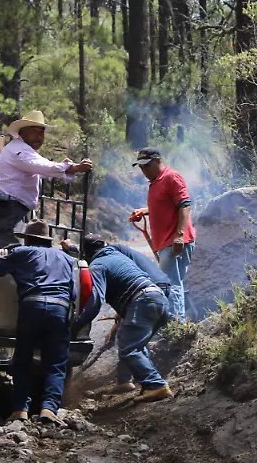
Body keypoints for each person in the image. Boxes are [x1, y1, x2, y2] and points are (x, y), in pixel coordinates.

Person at [0, 219, 75, 424]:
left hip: (31, 307)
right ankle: (49, 408)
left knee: (23, 360)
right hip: (59, 309)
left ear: (27, 239)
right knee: (56, 362)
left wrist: (1, 257)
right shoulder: (66, 259)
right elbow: (73, 293)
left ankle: (20, 410)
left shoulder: (20, 253)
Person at [61, 234, 170, 395]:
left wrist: (76, 326)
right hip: (159, 298)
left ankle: (156, 386)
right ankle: (134, 383)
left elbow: (95, 302)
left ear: (87, 253)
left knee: (129, 348)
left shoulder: (97, 266)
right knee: (136, 344)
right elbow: (85, 254)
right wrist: (71, 249)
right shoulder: (115, 253)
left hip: (142, 301)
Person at [0, 111, 93, 248]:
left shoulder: (23, 150)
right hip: (9, 208)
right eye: (34, 131)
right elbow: (43, 166)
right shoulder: (19, 150)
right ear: (22, 133)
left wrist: (64, 167)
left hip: (11, 208)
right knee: (11, 252)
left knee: (14, 252)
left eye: (41, 133)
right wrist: (74, 168)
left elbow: (43, 169)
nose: (39, 136)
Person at [129, 147, 196, 322]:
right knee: (175, 281)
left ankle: (176, 324)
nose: (144, 171)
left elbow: (184, 205)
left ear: (158, 161)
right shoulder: (156, 181)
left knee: (170, 282)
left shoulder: (171, 177)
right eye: (141, 167)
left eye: (147, 166)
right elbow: (165, 206)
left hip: (174, 241)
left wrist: (179, 236)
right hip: (166, 242)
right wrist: (144, 211)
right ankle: (184, 320)